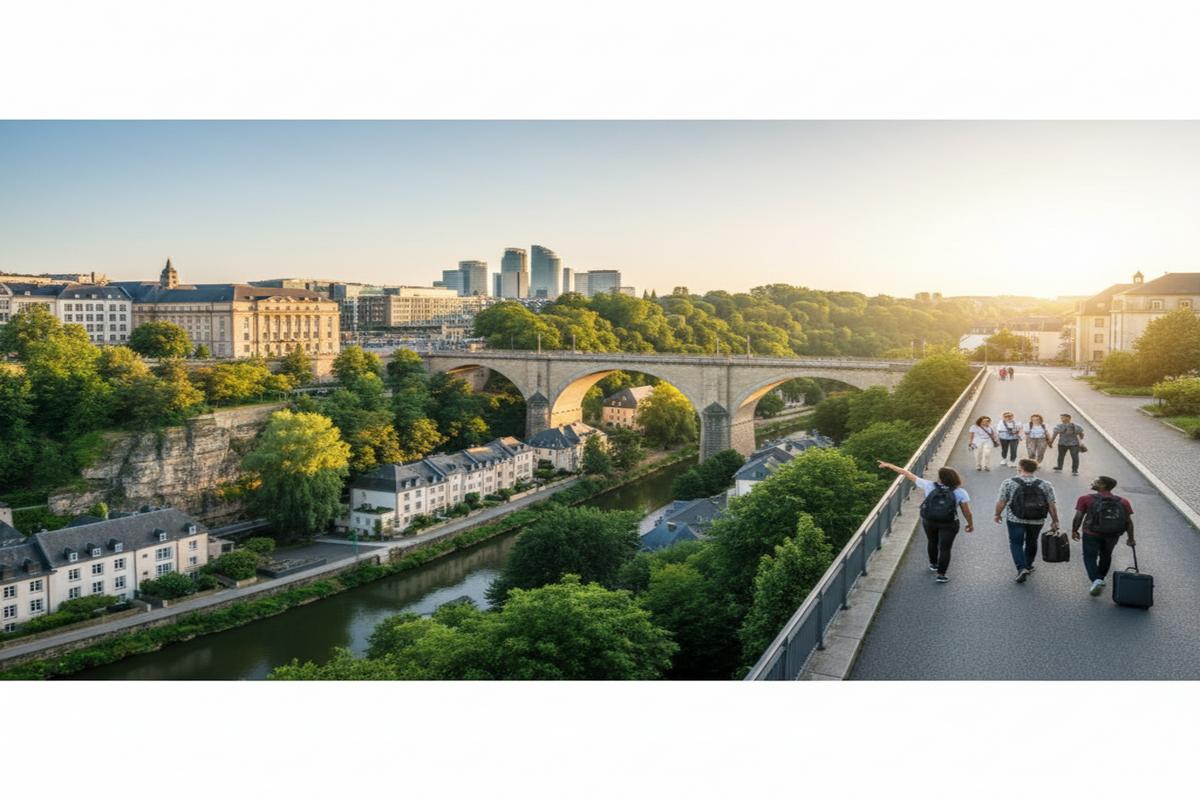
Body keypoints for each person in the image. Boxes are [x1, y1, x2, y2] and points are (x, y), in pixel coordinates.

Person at [879, 461, 974, 583]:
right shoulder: (960, 492)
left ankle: (933, 564)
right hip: (949, 523)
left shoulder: (929, 486)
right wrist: (970, 524)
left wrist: (889, 466)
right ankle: (941, 574)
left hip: (929, 520)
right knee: (945, 548)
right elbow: (967, 512)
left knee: (932, 541)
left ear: (940, 478)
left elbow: (907, 473)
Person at [994, 458, 1059, 583]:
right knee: (1032, 541)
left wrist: (997, 514)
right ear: (1034, 469)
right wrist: (1055, 520)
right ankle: (1028, 565)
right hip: (1037, 519)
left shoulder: (1009, 482)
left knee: (1016, 543)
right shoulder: (1045, 484)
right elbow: (1051, 504)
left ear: (1020, 468)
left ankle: (1021, 568)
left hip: (1015, 518)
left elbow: (1002, 501)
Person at [1071, 475, 1135, 596]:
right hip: (1113, 534)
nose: (1092, 482)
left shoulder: (1085, 499)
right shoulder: (1123, 501)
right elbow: (1128, 522)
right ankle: (1100, 578)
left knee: (1089, 557)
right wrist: (1130, 538)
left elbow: (1078, 516)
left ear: (1103, 485)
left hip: (1091, 533)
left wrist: (1074, 530)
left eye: (1096, 481)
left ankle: (1096, 580)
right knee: (1106, 555)